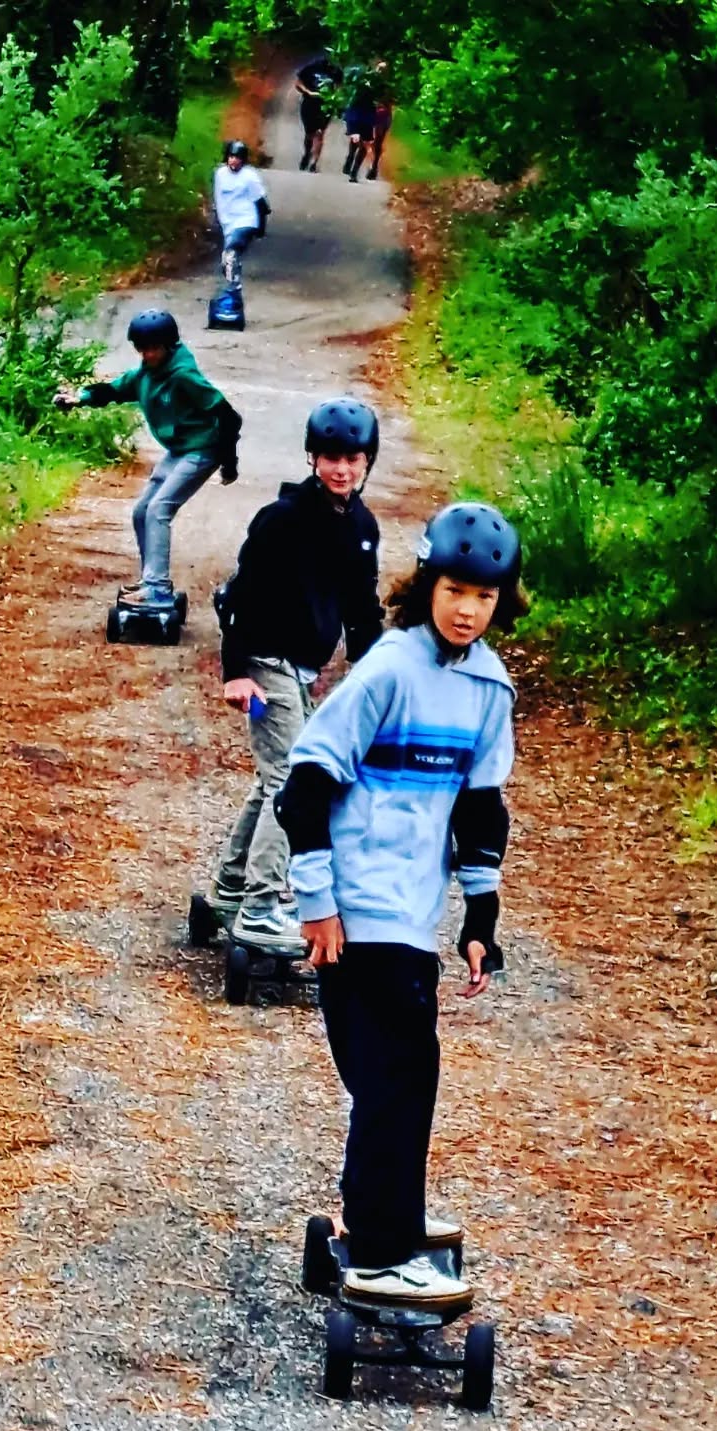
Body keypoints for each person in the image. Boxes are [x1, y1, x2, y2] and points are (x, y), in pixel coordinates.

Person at [274, 502, 527, 1308]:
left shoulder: (489, 689)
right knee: (401, 1074)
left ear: (501, 602)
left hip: (411, 913)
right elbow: (304, 789)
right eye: (455, 590)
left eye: (485, 598)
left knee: (389, 1077)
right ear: (427, 586)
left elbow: (481, 812)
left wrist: (479, 923)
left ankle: (372, 1220)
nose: (467, 609)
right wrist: (317, 904)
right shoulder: (388, 669)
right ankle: (383, 1250)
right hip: (355, 904)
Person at [208, 398, 385, 960]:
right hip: (265, 667)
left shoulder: (361, 527)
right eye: (331, 457)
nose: (341, 469)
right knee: (292, 780)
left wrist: (379, 680)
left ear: (367, 462)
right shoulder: (282, 519)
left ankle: (230, 888)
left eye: (353, 459)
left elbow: (363, 611)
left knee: (276, 778)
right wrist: (235, 673)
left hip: (302, 673)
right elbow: (237, 597)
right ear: (312, 458)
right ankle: (262, 906)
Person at [54, 310, 241, 606]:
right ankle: (149, 579)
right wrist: (80, 398)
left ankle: (157, 588)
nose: (149, 354)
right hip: (180, 450)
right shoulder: (145, 373)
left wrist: (229, 462)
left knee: (159, 510)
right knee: (142, 511)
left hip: (204, 449)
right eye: (143, 349)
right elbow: (116, 389)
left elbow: (229, 416)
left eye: (155, 348)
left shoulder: (183, 376)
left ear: (168, 345)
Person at [212, 140, 271, 296]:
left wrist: (261, 228)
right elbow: (218, 198)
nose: (234, 160)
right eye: (231, 156)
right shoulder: (220, 174)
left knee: (230, 253)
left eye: (238, 157)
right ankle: (233, 281)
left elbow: (261, 203)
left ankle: (233, 288)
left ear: (243, 160)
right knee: (227, 260)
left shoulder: (249, 176)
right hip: (228, 222)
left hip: (246, 220)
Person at [295, 53, 343, 171]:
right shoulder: (310, 68)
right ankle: (307, 154)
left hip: (325, 105)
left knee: (320, 133)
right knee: (310, 133)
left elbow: (339, 88)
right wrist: (309, 92)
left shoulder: (335, 71)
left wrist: (333, 97)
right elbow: (298, 83)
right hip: (309, 103)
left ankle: (314, 163)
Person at [341, 89, 380, 183]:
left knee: (362, 147)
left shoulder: (370, 105)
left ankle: (353, 170)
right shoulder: (356, 101)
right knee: (359, 144)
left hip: (365, 121)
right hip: (358, 119)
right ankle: (351, 164)